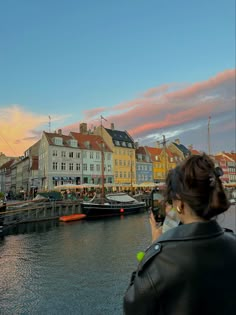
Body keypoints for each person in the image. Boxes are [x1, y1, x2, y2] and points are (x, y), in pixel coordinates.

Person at [123, 153, 236, 315]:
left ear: (180, 204)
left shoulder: (161, 260)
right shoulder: (232, 242)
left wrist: (154, 245)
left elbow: (133, 307)